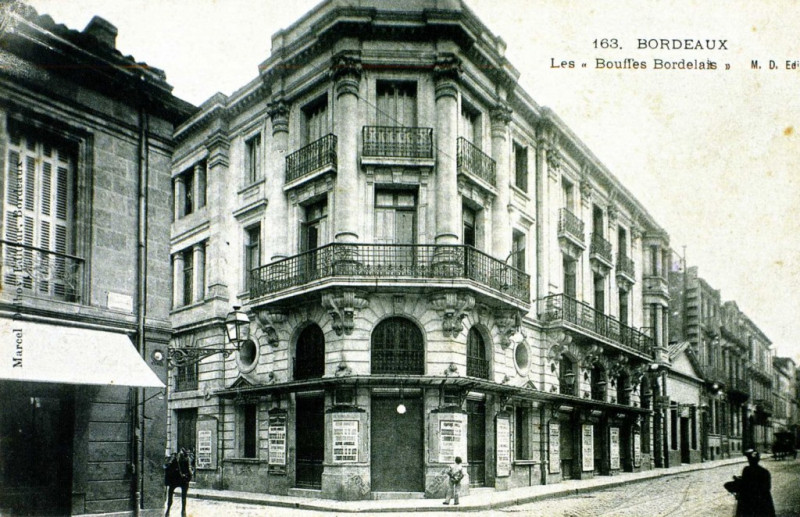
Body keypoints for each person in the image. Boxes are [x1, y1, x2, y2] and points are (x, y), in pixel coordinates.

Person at [725, 449, 775, 517]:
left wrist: (737, 482)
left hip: (748, 503)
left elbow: (744, 485)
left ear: (749, 460)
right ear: (758, 459)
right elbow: (767, 487)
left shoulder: (747, 470)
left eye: (749, 459)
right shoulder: (765, 472)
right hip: (763, 502)